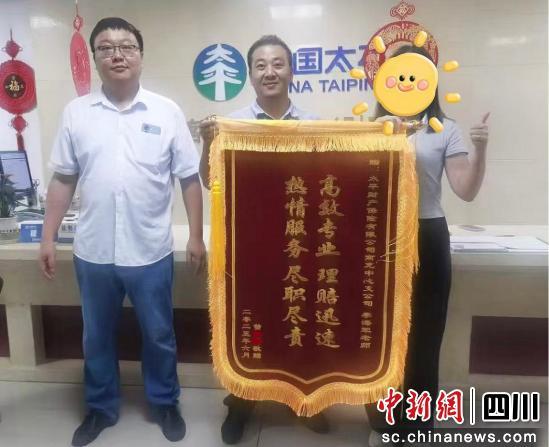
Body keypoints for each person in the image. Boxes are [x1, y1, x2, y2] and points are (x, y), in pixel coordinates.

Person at [39, 17, 206, 447]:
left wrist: (195, 236)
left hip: (150, 250)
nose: (117, 54)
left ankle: (164, 402)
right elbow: (63, 179)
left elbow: (189, 178)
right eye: (106, 47)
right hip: (93, 251)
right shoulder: (77, 113)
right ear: (94, 58)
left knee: (159, 333)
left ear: (141, 56)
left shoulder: (166, 111)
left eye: (127, 46)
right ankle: (100, 408)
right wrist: (47, 236)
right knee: (96, 336)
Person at [199, 35, 329, 445]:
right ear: (250, 75)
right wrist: (208, 141)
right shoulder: (232, 123)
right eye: (260, 65)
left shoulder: (314, 125)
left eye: (277, 64)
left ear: (291, 71)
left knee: (297, 322)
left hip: (299, 245)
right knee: (249, 326)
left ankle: (303, 401)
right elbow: (209, 180)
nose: (269, 72)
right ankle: (241, 403)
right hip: (249, 248)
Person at [365, 44, 490, 447]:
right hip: (380, 238)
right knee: (382, 331)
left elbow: (466, 190)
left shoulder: (444, 129)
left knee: (425, 331)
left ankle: (417, 422)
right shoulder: (371, 128)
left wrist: (480, 149)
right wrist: (375, 134)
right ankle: (382, 412)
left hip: (428, 235)